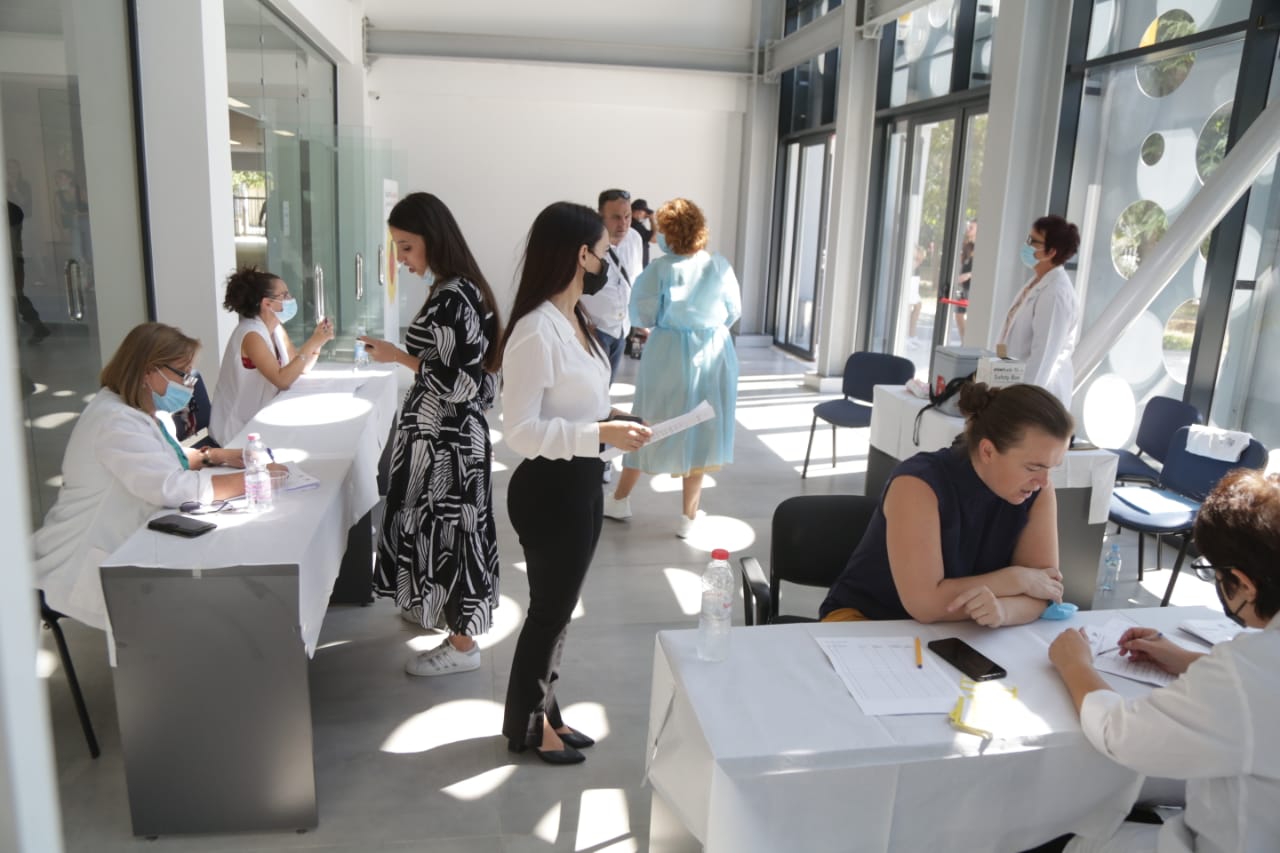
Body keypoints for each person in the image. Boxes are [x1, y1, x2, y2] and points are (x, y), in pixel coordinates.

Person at [1046, 469, 1280, 853]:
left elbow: (1122, 735)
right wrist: (1189, 660)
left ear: (1245, 583)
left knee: (1077, 838)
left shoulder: (1247, 671)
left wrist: (1076, 666)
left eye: (1214, 573)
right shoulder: (1254, 668)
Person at [498, 201, 653, 765]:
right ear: (580, 255)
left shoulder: (577, 319)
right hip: (549, 491)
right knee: (549, 613)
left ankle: (548, 713)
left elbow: (578, 404)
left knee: (560, 611)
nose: (612, 260)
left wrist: (614, 423)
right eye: (605, 251)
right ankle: (527, 726)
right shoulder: (535, 330)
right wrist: (598, 432)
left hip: (583, 481)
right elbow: (519, 431)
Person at [32, 322, 272, 631]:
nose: (189, 385)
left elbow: (164, 458)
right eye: (183, 374)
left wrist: (221, 456)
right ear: (149, 371)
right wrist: (258, 478)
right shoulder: (115, 421)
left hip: (131, 538)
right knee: (201, 604)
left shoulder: (140, 410)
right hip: (82, 559)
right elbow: (169, 487)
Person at [357, 192, 503, 677]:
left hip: (448, 444)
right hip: (445, 437)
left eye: (406, 246)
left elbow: (462, 383)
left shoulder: (454, 296)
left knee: (451, 535)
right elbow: (480, 379)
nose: (401, 259)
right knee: (438, 530)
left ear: (432, 239)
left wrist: (398, 356)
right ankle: (437, 609)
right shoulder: (460, 288)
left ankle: (462, 645)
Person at [820, 382, 1071, 625]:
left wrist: (1004, 610)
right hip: (867, 621)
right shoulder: (918, 483)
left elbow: (1046, 592)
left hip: (956, 630)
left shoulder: (1038, 488)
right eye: (1033, 467)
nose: (1043, 480)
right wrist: (1017, 580)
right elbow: (925, 604)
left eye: (1052, 468)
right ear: (987, 451)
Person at [604, 197, 742, 538]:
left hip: (668, 354)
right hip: (713, 352)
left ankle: (620, 500)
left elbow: (643, 315)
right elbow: (733, 311)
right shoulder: (719, 266)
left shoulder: (659, 270)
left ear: (669, 233)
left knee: (650, 422)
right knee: (700, 428)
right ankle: (688, 518)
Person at [209, 266, 334, 445]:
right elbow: (282, 380)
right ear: (267, 303)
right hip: (236, 431)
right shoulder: (251, 334)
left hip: (260, 418)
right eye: (285, 295)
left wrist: (318, 342)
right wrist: (312, 342)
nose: (291, 299)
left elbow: (300, 367)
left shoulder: (275, 328)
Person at [997, 214, 1081, 408]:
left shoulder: (1055, 293)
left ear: (1051, 252)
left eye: (1033, 241)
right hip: (1016, 384)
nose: (1026, 246)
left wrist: (1022, 402)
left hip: (1037, 399)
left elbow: (1043, 357)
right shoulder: (1038, 282)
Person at [578, 188, 643, 380]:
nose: (623, 223)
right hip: (594, 330)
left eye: (627, 216)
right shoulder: (587, 243)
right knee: (590, 387)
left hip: (621, 329)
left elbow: (636, 278)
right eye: (616, 217)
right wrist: (581, 323)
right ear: (601, 215)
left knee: (606, 388)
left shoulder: (635, 239)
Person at [8, 200, 50, 343]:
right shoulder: (13, 210)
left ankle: (32, 329)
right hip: (14, 260)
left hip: (11, 261)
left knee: (16, 298)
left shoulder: (9, 211)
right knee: (17, 297)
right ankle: (37, 327)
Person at [630, 198, 658, 268]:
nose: (645, 215)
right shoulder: (635, 225)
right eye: (645, 212)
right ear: (639, 211)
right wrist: (652, 220)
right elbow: (655, 238)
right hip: (637, 266)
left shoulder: (631, 224)